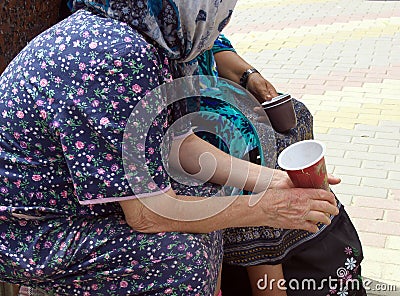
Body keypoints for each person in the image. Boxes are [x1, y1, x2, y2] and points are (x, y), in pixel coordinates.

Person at [0, 1, 340, 295]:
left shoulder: (144, 35)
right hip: (30, 231)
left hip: (72, 199)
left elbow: (179, 144)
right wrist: (267, 208)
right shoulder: (115, 53)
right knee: (182, 255)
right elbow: (146, 215)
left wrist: (273, 181)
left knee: (207, 200)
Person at [195, 35, 367, 296]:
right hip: (202, 131)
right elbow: (146, 215)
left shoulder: (199, 27)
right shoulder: (138, 52)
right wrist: (266, 200)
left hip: (213, 117)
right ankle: (267, 273)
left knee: (292, 116)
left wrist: (250, 77)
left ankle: (309, 220)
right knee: (251, 145)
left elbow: (214, 46)